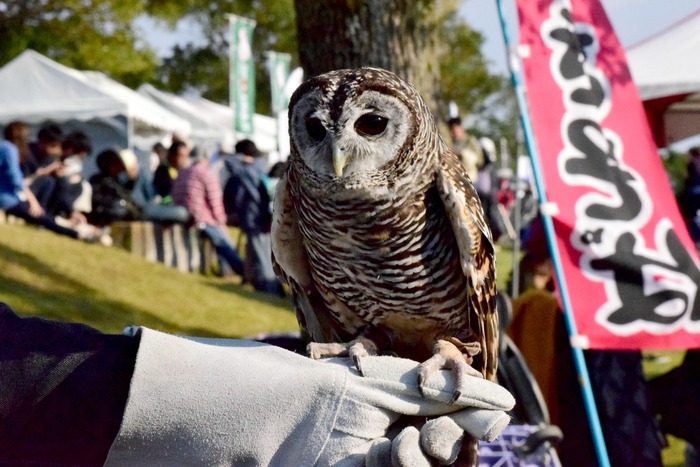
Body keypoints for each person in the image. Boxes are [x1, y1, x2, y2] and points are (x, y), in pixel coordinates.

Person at [0, 302, 513, 466]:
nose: (338, 153)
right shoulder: (298, 196)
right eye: (314, 130)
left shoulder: (446, 193)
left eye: (372, 126)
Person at [0, 121, 102, 241]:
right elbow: (17, 179)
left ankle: (76, 230)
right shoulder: (10, 149)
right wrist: (34, 202)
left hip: (11, 197)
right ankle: (77, 234)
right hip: (9, 198)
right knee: (41, 215)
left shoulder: (6, 147)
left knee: (47, 203)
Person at [171, 146, 245, 279]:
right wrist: (221, 221)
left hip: (184, 215)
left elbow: (175, 195)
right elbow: (215, 201)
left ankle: (225, 270)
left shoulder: (182, 173)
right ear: (205, 159)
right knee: (224, 243)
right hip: (201, 218)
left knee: (221, 240)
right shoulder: (206, 174)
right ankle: (243, 272)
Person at [223, 139, 284, 295]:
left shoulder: (250, 170)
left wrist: (240, 157)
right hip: (262, 218)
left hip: (255, 220)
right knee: (259, 254)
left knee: (262, 256)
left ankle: (270, 290)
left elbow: (229, 162)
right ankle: (259, 284)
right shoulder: (260, 166)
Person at [88, 147, 190, 226]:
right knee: (181, 213)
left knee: (180, 212)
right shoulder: (104, 180)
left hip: (136, 210)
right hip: (137, 212)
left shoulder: (117, 180)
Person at [447, 116, 482, 182]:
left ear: (461, 127)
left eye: (455, 129)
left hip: (471, 179)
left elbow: (480, 160)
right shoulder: (450, 143)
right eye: (451, 130)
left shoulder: (470, 141)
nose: (453, 133)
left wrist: (462, 154)